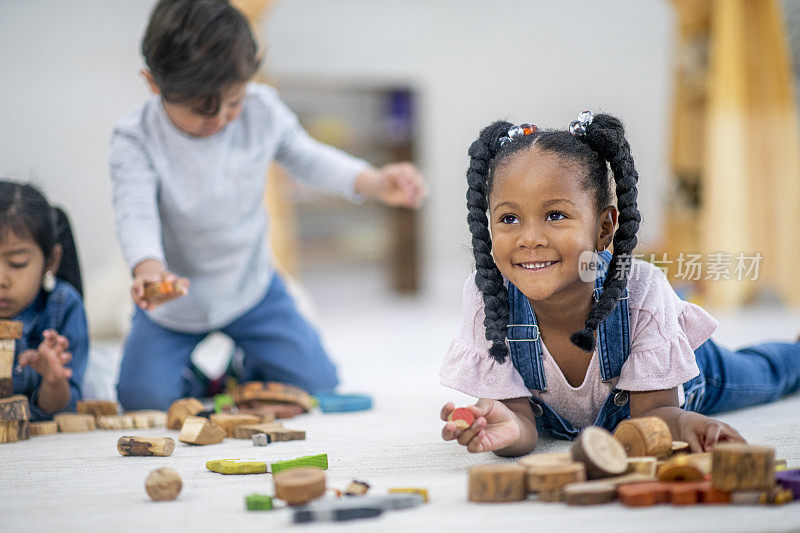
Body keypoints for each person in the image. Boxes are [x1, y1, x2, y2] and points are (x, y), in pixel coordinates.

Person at [111, 0, 427, 410]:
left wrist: (373, 181)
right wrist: (148, 266)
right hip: (174, 306)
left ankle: (244, 372)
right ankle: (203, 383)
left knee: (317, 383)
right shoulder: (135, 138)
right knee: (143, 400)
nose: (223, 118)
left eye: (233, 102)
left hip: (251, 287)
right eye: (202, 111)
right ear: (153, 84)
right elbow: (133, 210)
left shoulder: (261, 110)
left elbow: (310, 159)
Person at [439, 112, 800, 456]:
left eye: (555, 215)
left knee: (766, 375)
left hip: (677, 378)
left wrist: (688, 423)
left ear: (604, 228)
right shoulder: (489, 296)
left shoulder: (643, 290)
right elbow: (521, 423)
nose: (529, 238)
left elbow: (654, 415)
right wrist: (506, 429)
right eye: (509, 218)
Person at [0, 181, 87, 420]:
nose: (2, 280)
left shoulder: (63, 306)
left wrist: (53, 381)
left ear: (51, 260)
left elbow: (60, 411)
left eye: (17, 263)